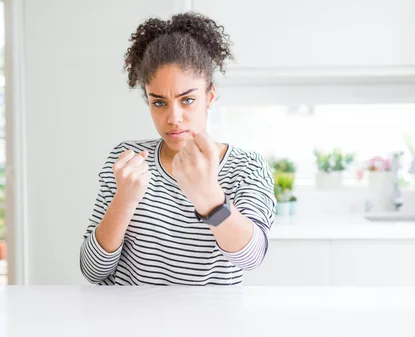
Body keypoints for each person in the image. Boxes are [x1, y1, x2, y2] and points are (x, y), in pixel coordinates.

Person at [79, 12, 276, 286]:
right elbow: (92, 271)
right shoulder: (128, 161)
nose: (173, 117)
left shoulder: (246, 167)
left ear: (209, 97)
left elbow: (252, 257)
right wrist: (124, 200)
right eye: (159, 102)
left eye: (188, 100)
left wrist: (210, 199)